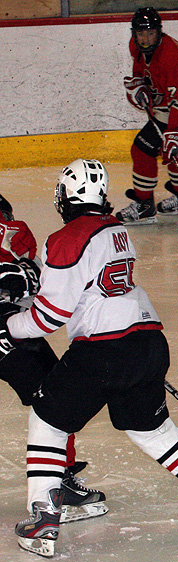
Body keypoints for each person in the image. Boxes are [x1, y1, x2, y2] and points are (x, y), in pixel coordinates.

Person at [1, 159, 178, 558]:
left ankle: (43, 517)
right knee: (150, 428)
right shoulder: (116, 229)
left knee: (47, 421)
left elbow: (49, 317)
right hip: (147, 340)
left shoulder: (67, 237)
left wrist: (12, 324)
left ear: (66, 196)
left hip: (102, 349)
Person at [0, 193, 108, 524]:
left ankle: (58, 478)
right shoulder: (13, 229)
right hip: (8, 331)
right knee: (55, 398)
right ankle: (58, 481)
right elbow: (22, 279)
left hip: (10, 328)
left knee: (54, 395)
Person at [115, 7, 178, 224]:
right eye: (141, 34)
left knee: (142, 149)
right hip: (172, 94)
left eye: (151, 34)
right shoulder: (136, 47)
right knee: (177, 149)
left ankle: (145, 205)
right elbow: (141, 70)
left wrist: (174, 131)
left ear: (159, 32)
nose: (145, 39)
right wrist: (139, 85)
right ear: (134, 34)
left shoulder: (171, 59)